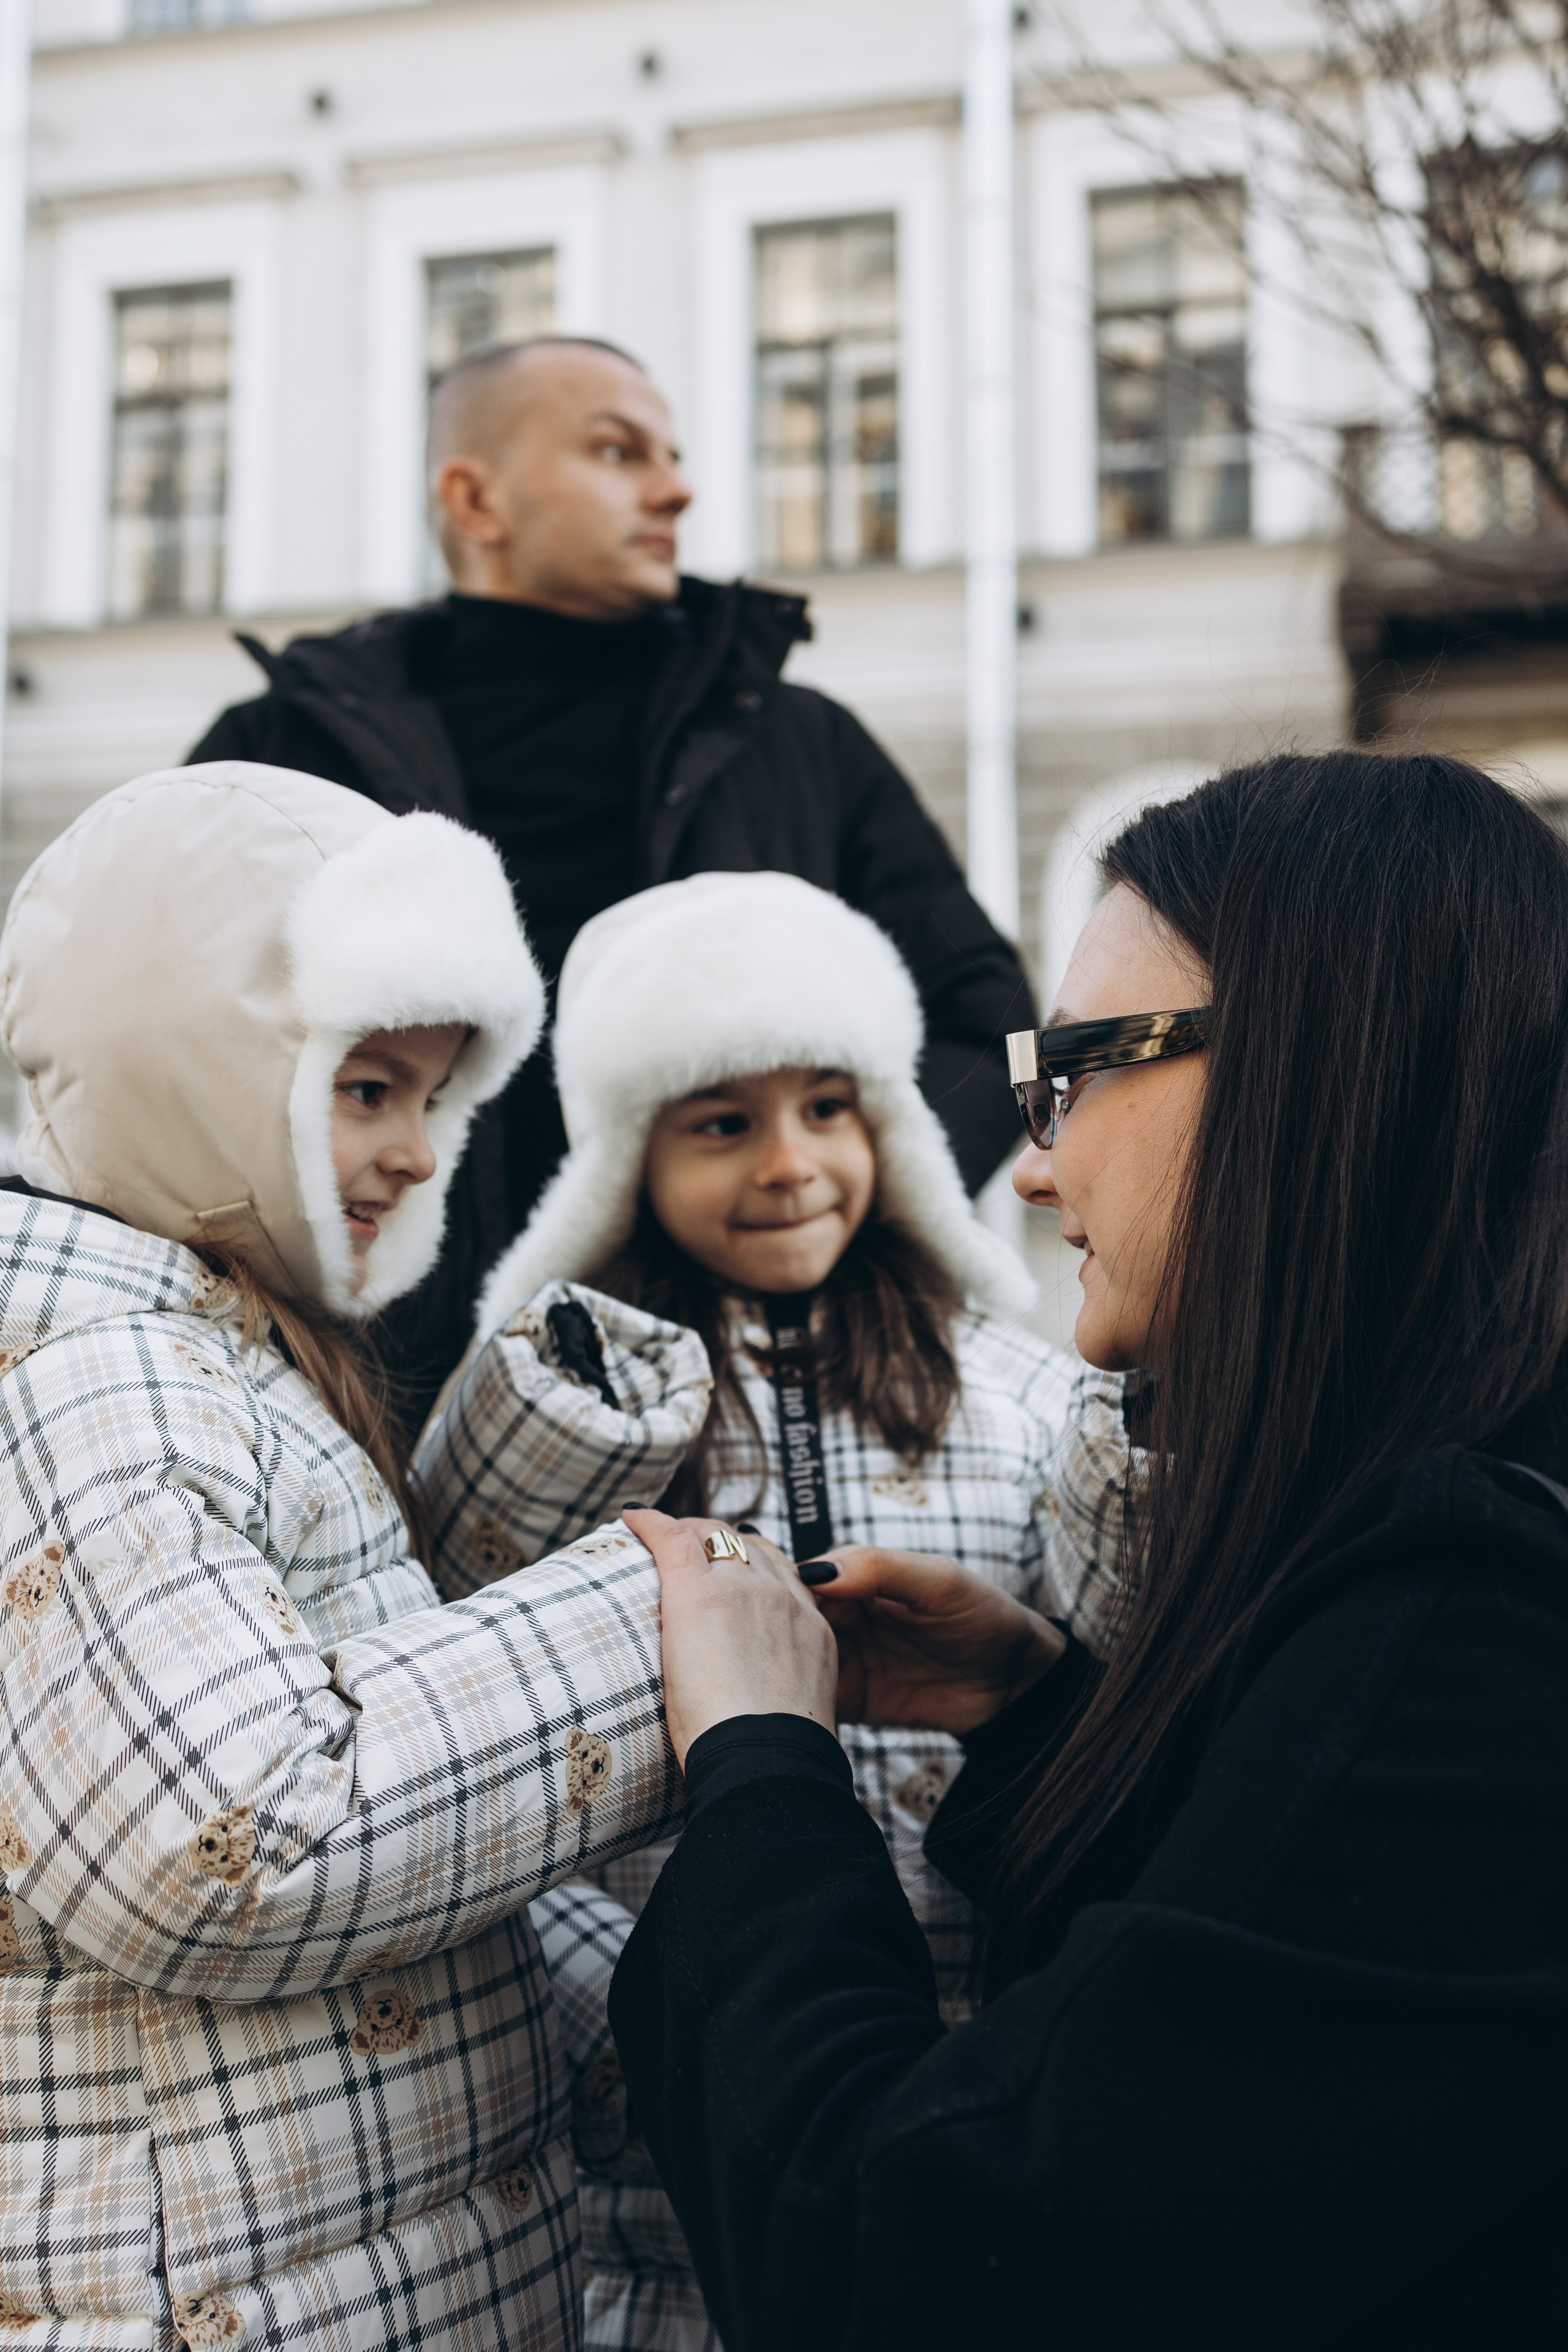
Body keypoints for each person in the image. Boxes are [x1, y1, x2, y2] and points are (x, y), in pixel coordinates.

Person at [605, 750, 1568, 2351]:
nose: (1034, 1162)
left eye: (1074, 1071)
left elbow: (916, 2274)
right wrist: (1042, 1716)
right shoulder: (1474, 1519)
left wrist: (762, 1766)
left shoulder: (1476, 1620)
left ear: (1309, 1061)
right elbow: (1255, 2078)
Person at [0, 760, 717, 2351]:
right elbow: (237, 1837)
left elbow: (350, 1670)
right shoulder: (104, 1378)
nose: (416, 1152)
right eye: (365, 1087)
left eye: (435, 1100)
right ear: (195, 1062)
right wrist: (661, 1618)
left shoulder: (229, 1353)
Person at [428, 870, 1131, 2352]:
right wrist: (625, 2036)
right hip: (655, 2173)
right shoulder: (563, 1415)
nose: (791, 1163)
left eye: (827, 1106)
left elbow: (1121, 1672)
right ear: (625, 1153)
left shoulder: (1016, 1389)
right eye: (721, 1123)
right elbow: (471, 1732)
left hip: (970, 2102)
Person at [187, 336, 1035, 1424]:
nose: (676, 489)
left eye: (672, 457)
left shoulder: (797, 744)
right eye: (619, 452)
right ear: (476, 499)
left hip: (733, 1406)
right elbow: (171, 1048)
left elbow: (993, 1017)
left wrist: (834, 1199)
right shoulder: (283, 748)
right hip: (361, 1403)